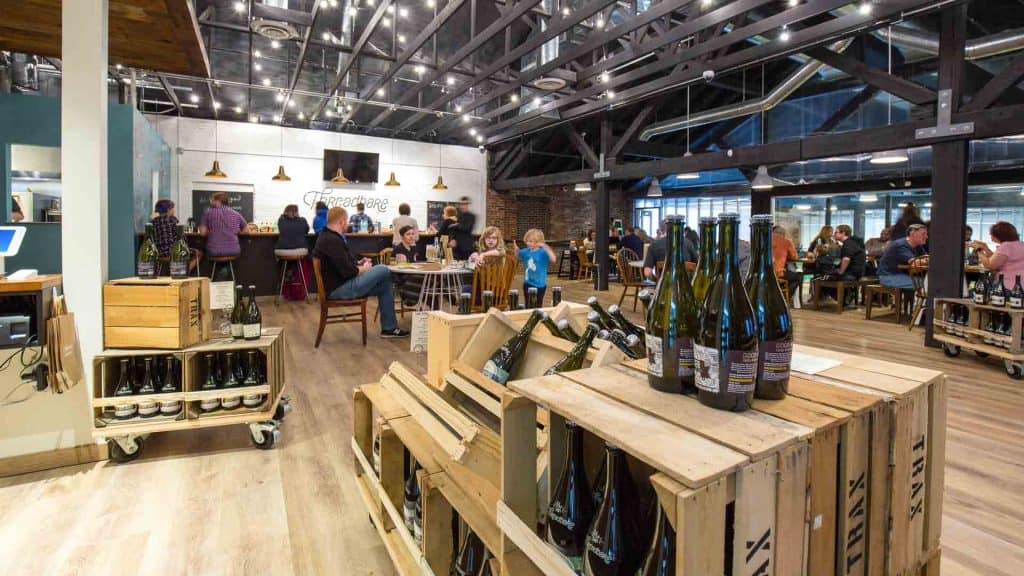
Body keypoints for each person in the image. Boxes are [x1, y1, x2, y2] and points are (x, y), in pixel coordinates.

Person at [313, 207, 408, 338]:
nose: (347, 224)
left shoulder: (328, 237)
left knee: (385, 284)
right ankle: (404, 288)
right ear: (341, 221)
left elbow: (341, 265)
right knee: (383, 269)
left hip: (341, 284)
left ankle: (389, 328)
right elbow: (347, 272)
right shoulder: (332, 240)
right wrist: (363, 269)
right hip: (339, 289)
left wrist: (359, 263)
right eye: (346, 221)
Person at [200, 192, 248, 272]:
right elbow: (247, 231)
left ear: (218, 201)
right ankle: (224, 273)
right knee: (228, 261)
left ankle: (219, 276)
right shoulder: (236, 213)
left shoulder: (207, 213)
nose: (210, 202)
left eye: (212, 200)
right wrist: (237, 232)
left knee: (205, 253)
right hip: (234, 251)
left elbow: (202, 233)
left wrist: (212, 231)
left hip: (214, 251)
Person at [970, 221, 1024, 289]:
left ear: (998, 235)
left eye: (991, 234)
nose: (990, 236)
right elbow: (997, 259)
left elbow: (990, 265)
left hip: (1008, 285)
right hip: (1020, 285)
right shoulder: (1020, 244)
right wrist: (986, 248)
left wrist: (978, 250)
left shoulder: (1006, 246)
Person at [152, 199, 200, 273]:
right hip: (174, 252)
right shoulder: (173, 220)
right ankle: (185, 272)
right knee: (198, 253)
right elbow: (182, 239)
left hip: (159, 253)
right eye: (173, 208)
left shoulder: (153, 221)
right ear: (168, 210)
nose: (174, 210)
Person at [878, 223, 929, 289]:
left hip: (903, 275)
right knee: (926, 284)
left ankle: (915, 299)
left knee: (928, 282)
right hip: (889, 276)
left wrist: (925, 260)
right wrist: (926, 260)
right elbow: (915, 263)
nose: (926, 236)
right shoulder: (901, 245)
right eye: (923, 234)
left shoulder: (918, 246)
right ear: (912, 234)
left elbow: (925, 258)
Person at [516, 229, 557, 305]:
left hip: (540, 284)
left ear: (539, 242)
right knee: (528, 303)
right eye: (528, 241)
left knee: (538, 304)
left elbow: (553, 259)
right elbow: (518, 255)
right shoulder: (525, 251)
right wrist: (516, 250)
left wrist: (545, 246)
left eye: (531, 241)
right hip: (527, 283)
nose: (528, 243)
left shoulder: (543, 252)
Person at [772, 225, 800, 301]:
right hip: (778, 273)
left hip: (763, 273)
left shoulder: (764, 240)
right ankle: (783, 299)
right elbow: (794, 257)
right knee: (797, 277)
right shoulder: (786, 242)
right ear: (783, 234)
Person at [453, 196, 477, 260]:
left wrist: (456, 225)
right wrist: (452, 239)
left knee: (467, 265)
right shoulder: (457, 215)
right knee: (456, 265)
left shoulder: (472, 216)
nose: (463, 206)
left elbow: (467, 228)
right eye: (462, 204)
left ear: (468, 205)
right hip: (457, 246)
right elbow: (453, 229)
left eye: (465, 204)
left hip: (467, 246)